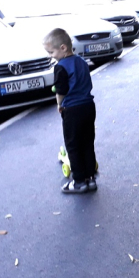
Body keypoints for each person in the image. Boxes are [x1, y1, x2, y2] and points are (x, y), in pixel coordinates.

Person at [42, 28, 97, 194]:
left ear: (63, 48)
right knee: (87, 143)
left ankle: (79, 181)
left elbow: (61, 90)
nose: (51, 55)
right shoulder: (82, 61)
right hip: (88, 106)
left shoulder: (61, 67)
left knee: (73, 145)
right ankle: (90, 178)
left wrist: (59, 104)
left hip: (72, 109)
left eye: (51, 52)